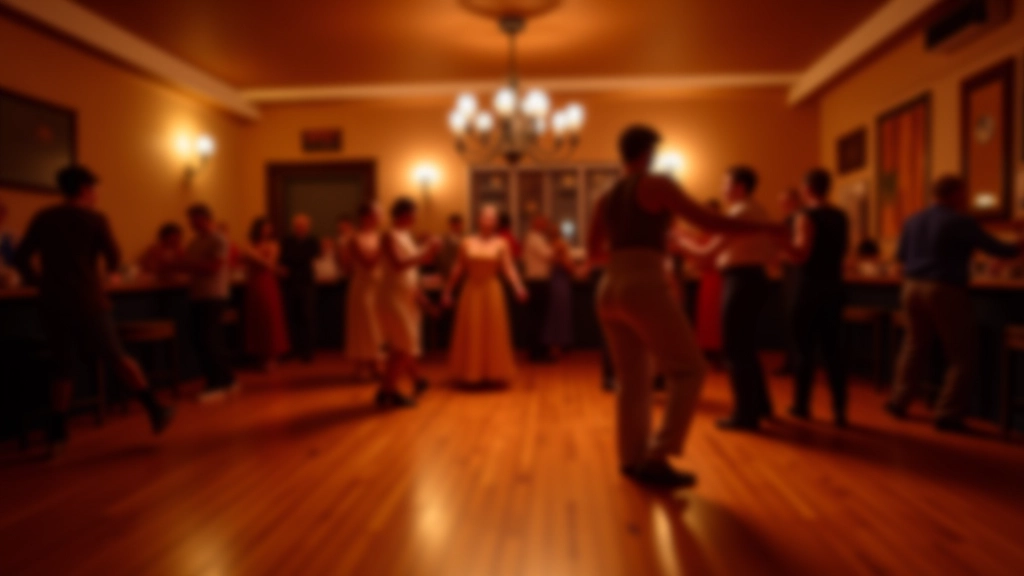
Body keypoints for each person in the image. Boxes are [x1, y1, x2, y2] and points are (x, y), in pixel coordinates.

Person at [588, 125, 782, 488]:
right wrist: (768, 226)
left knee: (632, 380)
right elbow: (709, 220)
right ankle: (657, 456)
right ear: (648, 153)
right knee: (690, 369)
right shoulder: (656, 184)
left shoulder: (606, 196)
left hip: (608, 286)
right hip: (642, 282)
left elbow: (594, 253)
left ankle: (631, 459)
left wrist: (631, 250)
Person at [13, 166, 174, 453]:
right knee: (116, 356)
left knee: (61, 365)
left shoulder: (44, 217)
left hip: (52, 302)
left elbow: (22, 256)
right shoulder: (95, 219)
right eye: (95, 190)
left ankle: (58, 431)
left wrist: (40, 281)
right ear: (86, 190)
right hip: (88, 300)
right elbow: (114, 257)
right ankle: (155, 409)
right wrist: (101, 277)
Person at [887, 176, 1023, 432]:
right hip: (944, 289)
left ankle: (898, 401)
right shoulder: (960, 221)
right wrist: (1018, 245)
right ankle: (947, 413)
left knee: (914, 346)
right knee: (961, 355)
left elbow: (901, 258)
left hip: (911, 287)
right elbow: (998, 249)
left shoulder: (913, 220)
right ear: (956, 194)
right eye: (963, 193)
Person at [679, 166, 778, 431]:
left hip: (742, 279)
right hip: (751, 278)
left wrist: (678, 241)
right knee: (745, 347)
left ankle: (746, 415)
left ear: (740, 187)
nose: (722, 189)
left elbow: (707, 254)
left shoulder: (739, 212)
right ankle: (760, 406)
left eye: (726, 184)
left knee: (736, 349)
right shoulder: (755, 209)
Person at [785, 169, 850, 426]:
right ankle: (840, 410)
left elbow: (801, 254)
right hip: (834, 287)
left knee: (804, 350)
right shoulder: (841, 216)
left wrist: (782, 244)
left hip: (808, 289)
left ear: (806, 188)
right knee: (834, 351)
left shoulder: (805, 216)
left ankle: (801, 406)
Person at [443, 205, 527, 385]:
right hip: (471, 290)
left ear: (496, 223)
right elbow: (458, 268)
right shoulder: (466, 242)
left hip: (492, 290)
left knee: (493, 331)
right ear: (478, 220)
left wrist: (518, 286)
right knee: (472, 330)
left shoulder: (501, 243)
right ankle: (471, 373)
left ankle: (493, 373)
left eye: (493, 218)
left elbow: (508, 267)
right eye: (486, 218)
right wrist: (448, 290)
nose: (490, 221)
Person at [377, 197, 439, 407]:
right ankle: (388, 392)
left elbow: (416, 265)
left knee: (404, 346)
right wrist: (424, 250)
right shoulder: (388, 235)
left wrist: (428, 249)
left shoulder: (406, 235)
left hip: (407, 295)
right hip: (393, 296)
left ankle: (391, 390)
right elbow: (397, 265)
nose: (416, 217)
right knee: (403, 347)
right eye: (413, 213)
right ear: (403, 214)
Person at [181, 204, 237, 401]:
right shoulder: (195, 241)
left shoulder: (219, 239)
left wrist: (187, 264)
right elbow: (188, 264)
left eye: (193, 219)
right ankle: (227, 380)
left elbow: (215, 267)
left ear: (204, 218)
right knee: (203, 339)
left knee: (209, 339)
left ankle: (218, 383)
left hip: (214, 295)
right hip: (198, 295)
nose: (191, 224)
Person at [243, 217, 289, 371]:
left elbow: (270, 263)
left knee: (271, 316)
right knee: (258, 317)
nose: (267, 230)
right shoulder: (250, 244)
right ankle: (259, 355)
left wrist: (268, 264)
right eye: (265, 227)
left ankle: (272, 355)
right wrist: (274, 267)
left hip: (268, 282)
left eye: (269, 228)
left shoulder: (274, 245)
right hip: (255, 282)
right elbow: (256, 260)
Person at [345, 202, 385, 378]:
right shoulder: (354, 238)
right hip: (363, 286)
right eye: (377, 214)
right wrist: (384, 248)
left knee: (378, 325)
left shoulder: (380, 236)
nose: (380, 217)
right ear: (366, 217)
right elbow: (368, 263)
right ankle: (362, 364)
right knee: (364, 325)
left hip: (380, 286)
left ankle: (377, 362)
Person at [280, 213, 322, 362]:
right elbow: (285, 258)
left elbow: (310, 257)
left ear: (308, 227)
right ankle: (292, 349)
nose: (300, 228)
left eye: (303, 226)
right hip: (290, 284)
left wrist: (296, 259)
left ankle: (308, 350)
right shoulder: (287, 241)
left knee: (307, 317)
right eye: (298, 226)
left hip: (306, 283)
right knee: (291, 316)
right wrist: (299, 259)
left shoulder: (312, 241)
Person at [776, 188, 804, 377]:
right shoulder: (795, 219)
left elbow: (791, 250)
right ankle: (794, 361)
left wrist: (779, 256)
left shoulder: (794, 220)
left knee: (793, 319)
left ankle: (794, 362)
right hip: (793, 274)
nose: (781, 205)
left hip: (795, 274)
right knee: (793, 319)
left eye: (784, 201)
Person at [523, 215, 555, 362]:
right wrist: (557, 244)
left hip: (537, 282)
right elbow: (549, 255)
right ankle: (537, 353)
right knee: (538, 319)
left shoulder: (534, 238)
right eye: (544, 223)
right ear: (537, 224)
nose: (547, 225)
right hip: (538, 282)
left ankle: (538, 351)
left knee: (538, 318)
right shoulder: (535, 239)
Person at [543, 228, 575, 358]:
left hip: (558, 282)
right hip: (559, 283)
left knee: (557, 313)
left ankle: (557, 344)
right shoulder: (557, 251)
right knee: (557, 313)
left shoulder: (551, 249)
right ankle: (556, 344)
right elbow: (569, 267)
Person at [437, 213, 465, 280]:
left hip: (462, 272)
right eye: (457, 224)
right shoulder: (446, 239)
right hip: (449, 270)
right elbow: (443, 257)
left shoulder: (463, 238)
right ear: (452, 225)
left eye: (460, 224)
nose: (460, 226)